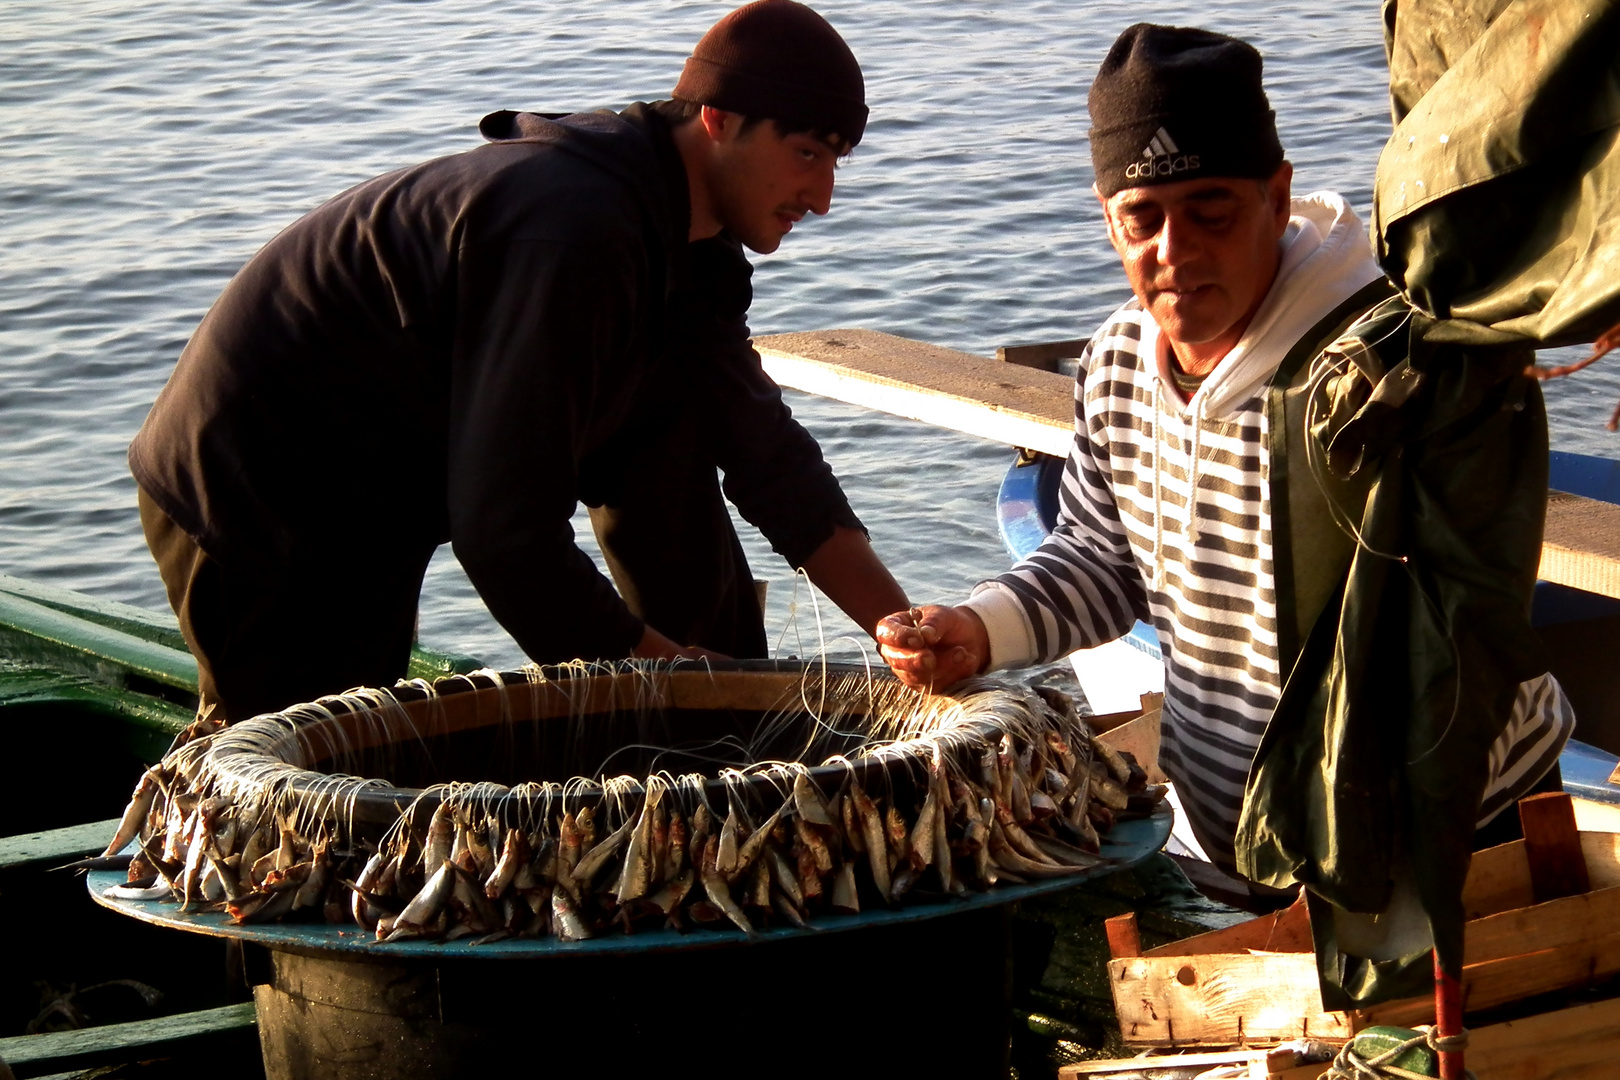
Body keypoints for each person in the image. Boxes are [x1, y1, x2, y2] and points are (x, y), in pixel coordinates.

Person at [876, 24, 1575, 882]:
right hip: (1248, 844)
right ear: (1108, 222)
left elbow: (1469, 606)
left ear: (1277, 200)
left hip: (1458, 827)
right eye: (1142, 219)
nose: (1175, 252)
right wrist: (980, 630)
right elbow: (1105, 558)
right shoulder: (1117, 363)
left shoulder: (1385, 365)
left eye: (1212, 210)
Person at [130, 0, 908, 723]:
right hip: (262, 492)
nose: (823, 196)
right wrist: (658, 680)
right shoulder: (573, 232)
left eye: (837, 162)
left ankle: (712, 748)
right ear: (718, 119)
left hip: (387, 486)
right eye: (807, 153)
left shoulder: (692, 254)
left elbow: (767, 455)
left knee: (672, 423)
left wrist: (900, 630)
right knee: (304, 779)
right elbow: (505, 532)